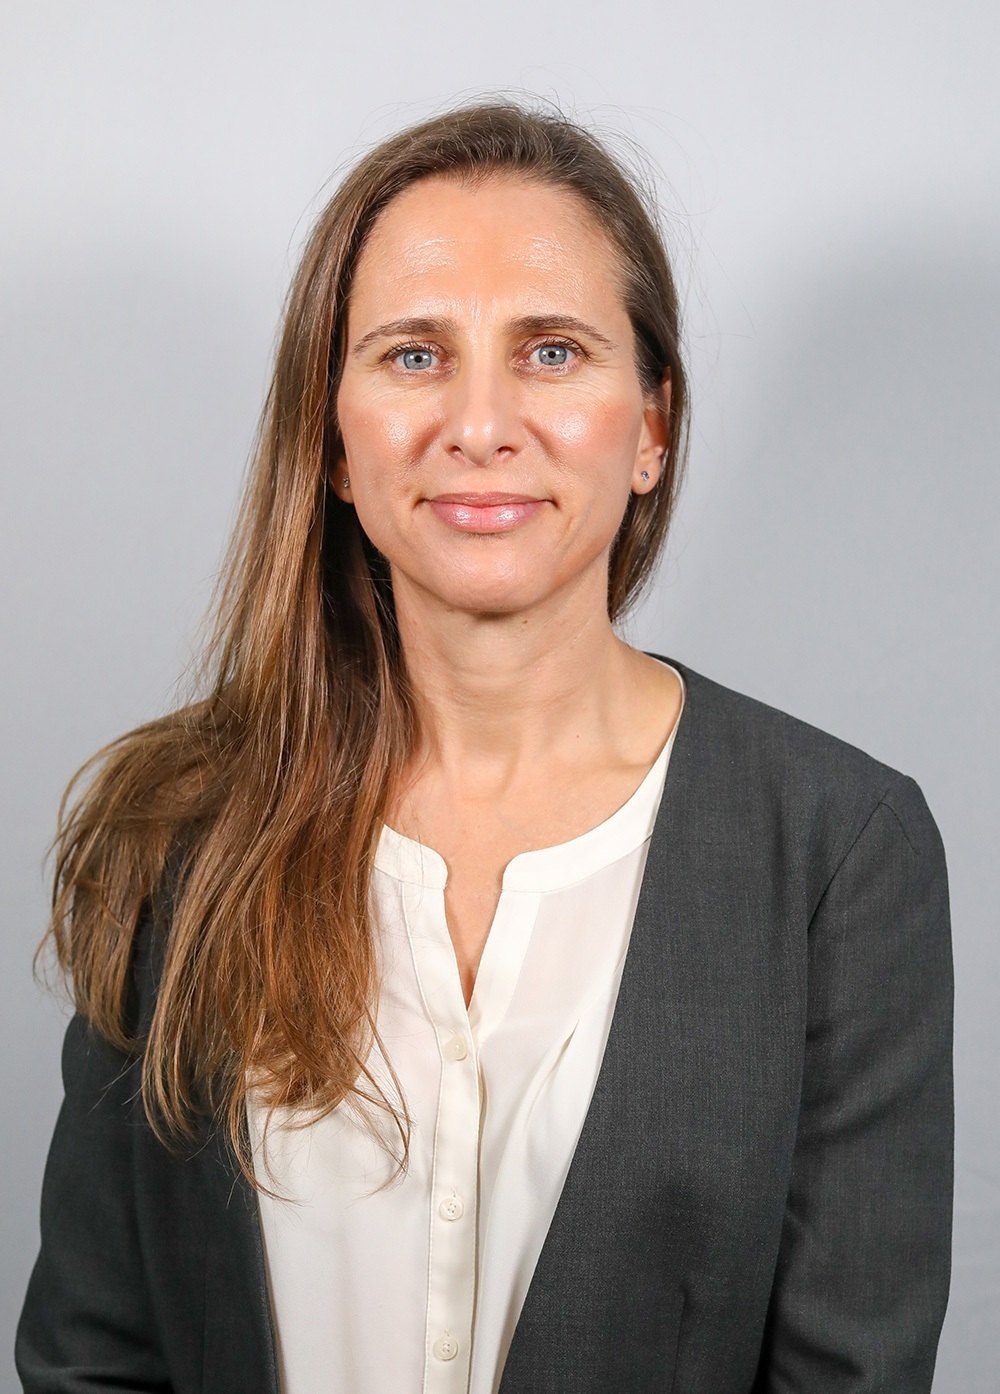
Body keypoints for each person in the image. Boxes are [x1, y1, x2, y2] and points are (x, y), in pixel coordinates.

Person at [16, 100, 953, 1394]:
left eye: (552, 352)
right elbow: (92, 1357)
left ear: (654, 426)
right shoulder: (180, 827)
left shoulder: (841, 854)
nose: (479, 420)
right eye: (412, 355)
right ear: (334, 440)